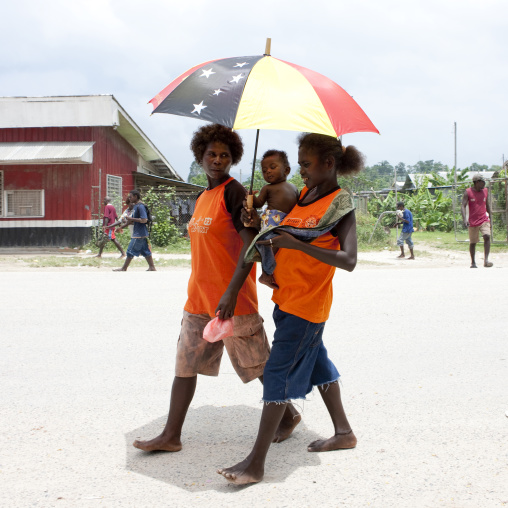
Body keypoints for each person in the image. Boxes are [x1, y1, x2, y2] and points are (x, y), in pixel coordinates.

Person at [132, 124, 300, 453]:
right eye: (212, 154)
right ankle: (171, 435)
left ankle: (289, 415)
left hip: (232, 299)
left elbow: (251, 249)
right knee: (186, 363)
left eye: (225, 155)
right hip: (198, 298)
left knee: (258, 365)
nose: (217, 160)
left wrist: (230, 293)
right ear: (200, 156)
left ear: (233, 159)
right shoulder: (201, 196)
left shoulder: (235, 193)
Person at [218, 132, 364, 485]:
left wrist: (296, 247)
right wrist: (257, 223)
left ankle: (255, 463)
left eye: (307, 164)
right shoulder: (304, 197)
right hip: (287, 298)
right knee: (317, 362)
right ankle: (343, 432)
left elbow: (349, 260)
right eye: (299, 164)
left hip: (308, 305)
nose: (301, 171)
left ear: (329, 164)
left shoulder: (338, 204)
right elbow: (281, 230)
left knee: (278, 374)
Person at [249, 150, 299, 287]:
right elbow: (258, 203)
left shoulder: (294, 188)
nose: (268, 172)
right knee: (268, 245)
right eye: (264, 170)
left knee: (279, 249)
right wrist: (250, 197)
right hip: (271, 220)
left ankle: (270, 272)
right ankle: (266, 274)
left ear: (287, 170)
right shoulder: (267, 188)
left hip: (287, 222)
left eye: (272, 167)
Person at [113, 190, 156, 272]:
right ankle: (152, 267)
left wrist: (131, 218)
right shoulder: (135, 207)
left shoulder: (140, 206)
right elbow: (131, 221)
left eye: (131, 196)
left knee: (130, 250)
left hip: (139, 233)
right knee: (146, 251)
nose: (130, 198)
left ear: (136, 197)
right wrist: (121, 226)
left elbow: (144, 219)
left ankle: (123, 268)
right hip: (141, 233)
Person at [461, 174, 493, 268]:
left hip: (484, 219)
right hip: (473, 221)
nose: (484, 183)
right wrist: (464, 219)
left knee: (487, 236)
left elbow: (487, 204)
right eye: (483, 182)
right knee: (473, 242)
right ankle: (473, 262)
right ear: (477, 182)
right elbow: (463, 205)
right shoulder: (468, 192)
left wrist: (490, 216)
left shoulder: (485, 191)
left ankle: (486, 260)